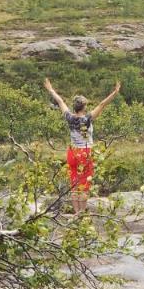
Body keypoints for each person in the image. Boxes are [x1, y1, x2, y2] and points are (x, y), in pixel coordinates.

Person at [44, 78, 122, 211]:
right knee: (84, 184)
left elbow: (60, 101)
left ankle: (76, 213)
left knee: (74, 183)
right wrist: (115, 93)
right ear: (84, 107)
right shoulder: (87, 119)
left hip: (72, 152)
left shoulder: (69, 117)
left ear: (75, 107)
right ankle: (82, 214)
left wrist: (51, 89)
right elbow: (102, 104)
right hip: (84, 153)